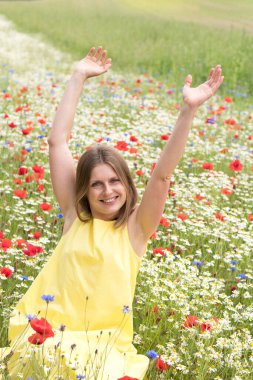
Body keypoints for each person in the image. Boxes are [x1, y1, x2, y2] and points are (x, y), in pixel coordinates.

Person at [3, 47, 223, 379]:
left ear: (127, 185)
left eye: (114, 181)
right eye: (96, 185)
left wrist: (187, 111)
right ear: (84, 191)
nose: (108, 192)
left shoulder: (137, 228)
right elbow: (57, 144)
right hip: (46, 338)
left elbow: (162, 175)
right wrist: (78, 77)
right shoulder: (74, 218)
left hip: (103, 349)